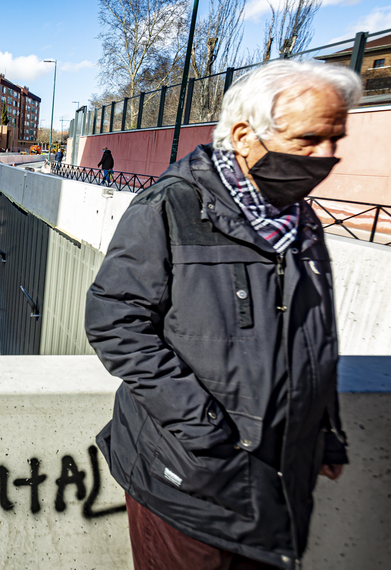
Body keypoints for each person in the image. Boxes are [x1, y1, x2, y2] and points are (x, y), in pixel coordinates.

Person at [84, 61, 359, 570]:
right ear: (242, 135)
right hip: (191, 486)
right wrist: (206, 432)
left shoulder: (301, 219)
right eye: (309, 139)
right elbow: (115, 322)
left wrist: (323, 433)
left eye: (334, 139)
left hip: (278, 481)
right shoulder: (173, 206)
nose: (327, 157)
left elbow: (315, 337)